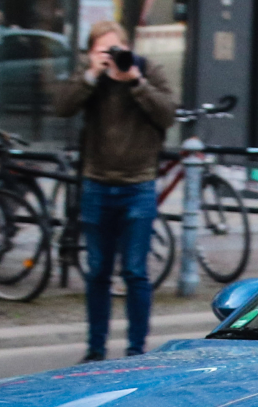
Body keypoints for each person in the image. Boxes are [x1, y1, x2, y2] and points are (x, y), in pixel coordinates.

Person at [51, 22, 178, 360]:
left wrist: (136, 83)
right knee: (97, 272)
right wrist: (91, 75)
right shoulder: (91, 77)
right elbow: (62, 106)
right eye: (103, 51)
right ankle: (96, 349)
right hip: (97, 183)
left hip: (138, 184)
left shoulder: (148, 71)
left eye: (116, 49)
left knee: (135, 271)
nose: (113, 58)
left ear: (128, 46)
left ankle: (137, 350)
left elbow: (168, 115)